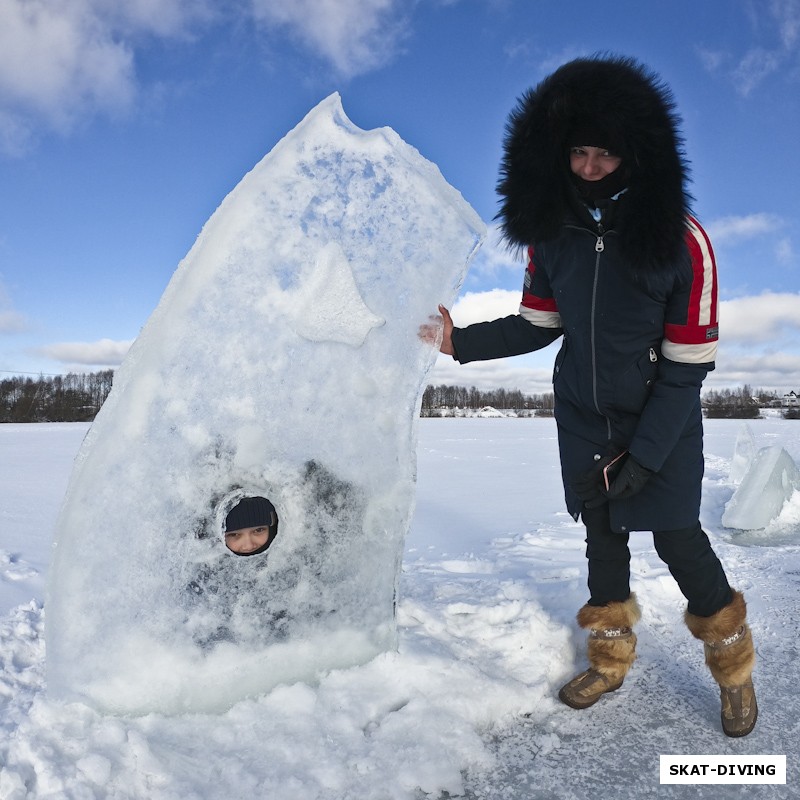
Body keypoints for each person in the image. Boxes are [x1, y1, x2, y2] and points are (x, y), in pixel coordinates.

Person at [422, 55, 757, 737]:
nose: (591, 165)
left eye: (606, 152)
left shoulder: (682, 241)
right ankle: (608, 658)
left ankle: (734, 668)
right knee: (602, 540)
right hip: (584, 415)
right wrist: (459, 342)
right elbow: (538, 324)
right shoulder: (554, 236)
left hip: (660, 415)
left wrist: (649, 453)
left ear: (634, 152)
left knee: (680, 540)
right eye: (579, 151)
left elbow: (689, 366)